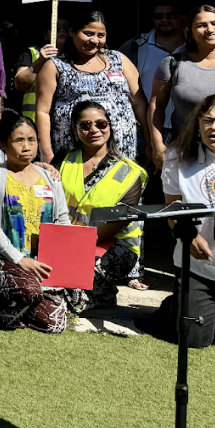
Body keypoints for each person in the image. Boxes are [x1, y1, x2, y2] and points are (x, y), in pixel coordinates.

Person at [150, 93, 215, 349]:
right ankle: (173, 307)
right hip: (197, 267)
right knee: (192, 341)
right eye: (207, 120)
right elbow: (172, 209)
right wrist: (189, 237)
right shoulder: (177, 157)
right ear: (197, 123)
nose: (214, 127)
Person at [0, 111, 72, 333]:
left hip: (43, 262)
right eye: (19, 140)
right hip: (5, 259)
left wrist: (64, 264)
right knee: (29, 291)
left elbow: (62, 220)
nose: (26, 147)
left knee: (54, 324)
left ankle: (20, 303)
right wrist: (20, 259)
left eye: (32, 139)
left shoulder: (50, 177)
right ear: (3, 144)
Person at [56, 101, 146, 311]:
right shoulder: (63, 159)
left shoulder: (130, 173)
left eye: (101, 124)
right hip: (66, 240)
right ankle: (99, 293)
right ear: (75, 129)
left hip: (114, 245)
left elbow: (114, 226)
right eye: (85, 125)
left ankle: (97, 294)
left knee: (70, 294)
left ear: (109, 126)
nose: (94, 130)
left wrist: (71, 251)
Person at [35, 8, 146, 164]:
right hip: (73, 152)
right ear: (72, 32)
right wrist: (46, 152)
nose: (94, 40)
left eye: (100, 35)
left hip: (122, 149)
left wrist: (150, 142)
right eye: (88, 34)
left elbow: (140, 104)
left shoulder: (119, 60)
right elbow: (42, 111)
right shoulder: (56, 66)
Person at [150, 6, 215, 159]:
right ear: (189, 31)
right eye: (201, 25)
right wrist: (157, 145)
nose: (210, 29)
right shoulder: (173, 63)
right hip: (185, 153)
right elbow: (157, 105)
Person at [122, 1, 187, 103]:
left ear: (183, 19)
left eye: (171, 15)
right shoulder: (134, 47)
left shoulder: (198, 45)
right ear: (152, 20)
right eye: (158, 16)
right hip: (146, 113)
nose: (164, 19)